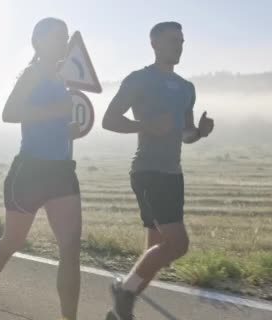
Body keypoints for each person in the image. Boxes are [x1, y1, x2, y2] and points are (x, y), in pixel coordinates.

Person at [0, 17, 83, 320]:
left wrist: (66, 129)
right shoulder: (32, 74)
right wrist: (54, 112)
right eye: (58, 36)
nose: (64, 42)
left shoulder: (61, 80)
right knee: (12, 241)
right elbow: (10, 113)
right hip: (30, 171)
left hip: (61, 172)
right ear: (38, 42)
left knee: (71, 251)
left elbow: (51, 123)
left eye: (66, 37)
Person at [102, 21, 215, 320]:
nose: (179, 46)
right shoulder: (139, 80)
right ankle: (122, 293)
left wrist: (200, 133)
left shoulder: (186, 88)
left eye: (181, 41)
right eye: (172, 40)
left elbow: (185, 134)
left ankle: (119, 310)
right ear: (154, 44)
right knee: (177, 244)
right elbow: (109, 119)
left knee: (154, 251)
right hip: (148, 171)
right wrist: (146, 125)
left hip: (172, 173)